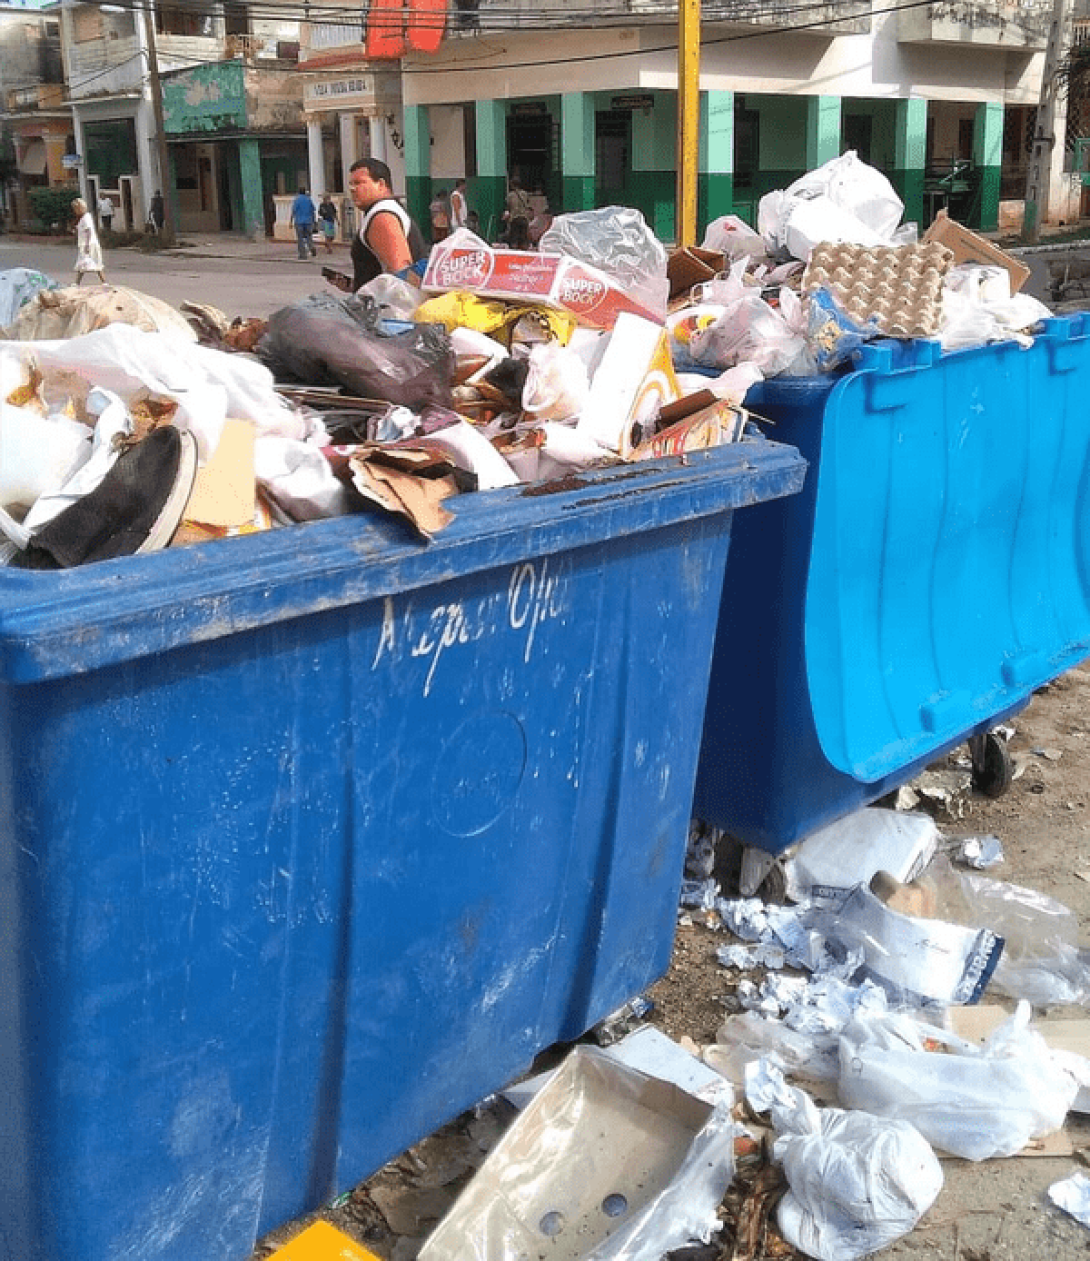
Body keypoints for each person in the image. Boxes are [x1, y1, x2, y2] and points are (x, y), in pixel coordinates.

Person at [343, 157, 428, 291]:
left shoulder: (382, 216)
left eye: (359, 183)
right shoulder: (383, 210)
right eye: (351, 184)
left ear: (381, 184)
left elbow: (403, 274)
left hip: (389, 309)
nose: (353, 189)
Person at [71, 197, 105, 285]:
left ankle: (103, 281)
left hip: (89, 244)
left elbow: (89, 230)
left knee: (91, 262)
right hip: (85, 243)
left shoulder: (86, 217)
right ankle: (77, 282)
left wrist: (87, 244)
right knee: (84, 263)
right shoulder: (83, 217)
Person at [289, 187, 317, 259]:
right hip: (308, 221)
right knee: (309, 236)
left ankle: (302, 254)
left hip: (299, 221)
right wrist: (314, 221)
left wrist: (291, 221)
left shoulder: (297, 200)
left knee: (300, 238)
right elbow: (312, 210)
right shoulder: (308, 199)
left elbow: (293, 211)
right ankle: (311, 247)